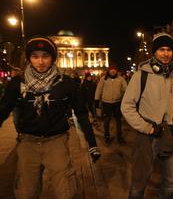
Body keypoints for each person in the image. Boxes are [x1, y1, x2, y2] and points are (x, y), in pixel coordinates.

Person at [0, 36, 101, 198]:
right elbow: (3, 110)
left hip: (56, 142)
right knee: (26, 192)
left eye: (45, 56)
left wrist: (92, 143)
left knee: (66, 191)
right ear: (29, 59)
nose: (40, 61)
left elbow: (81, 114)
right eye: (35, 56)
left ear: (53, 58)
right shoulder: (17, 83)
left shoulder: (66, 83)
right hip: (28, 143)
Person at [121, 32, 173, 199]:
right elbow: (126, 107)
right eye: (162, 49)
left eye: (169, 50)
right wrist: (147, 128)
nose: (166, 54)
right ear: (154, 52)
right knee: (139, 182)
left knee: (172, 179)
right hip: (147, 136)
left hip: (170, 134)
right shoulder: (140, 75)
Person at [95, 65, 127, 145]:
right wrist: (96, 99)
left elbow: (126, 89)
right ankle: (107, 136)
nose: (113, 71)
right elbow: (99, 89)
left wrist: (128, 98)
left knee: (118, 121)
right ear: (109, 70)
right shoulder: (103, 79)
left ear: (116, 71)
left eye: (114, 69)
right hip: (106, 103)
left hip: (117, 102)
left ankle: (119, 137)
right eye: (111, 69)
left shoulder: (121, 79)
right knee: (107, 120)